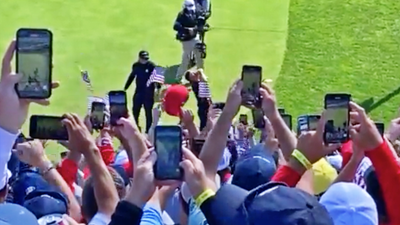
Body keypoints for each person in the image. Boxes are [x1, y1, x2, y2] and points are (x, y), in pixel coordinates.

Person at [123, 50, 159, 133]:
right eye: (143, 59)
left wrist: (158, 88)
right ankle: (136, 128)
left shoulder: (151, 66)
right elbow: (132, 76)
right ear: (139, 58)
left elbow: (156, 78)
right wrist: (126, 87)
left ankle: (148, 130)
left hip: (149, 93)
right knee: (135, 110)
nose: (144, 60)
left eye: (146, 59)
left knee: (148, 112)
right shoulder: (136, 66)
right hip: (139, 91)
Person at [174, 0, 204, 82]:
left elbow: (200, 21)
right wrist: (186, 29)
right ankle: (179, 77)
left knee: (199, 55)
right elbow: (176, 26)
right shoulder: (181, 15)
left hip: (195, 37)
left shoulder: (196, 11)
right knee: (186, 59)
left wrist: (201, 26)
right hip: (187, 40)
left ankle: (200, 74)